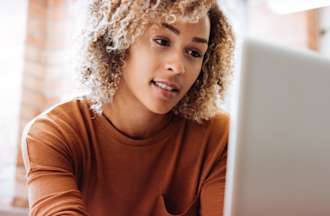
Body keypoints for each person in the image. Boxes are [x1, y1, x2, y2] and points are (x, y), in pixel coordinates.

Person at [21, 0, 235, 215]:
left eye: (194, 53)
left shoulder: (219, 137)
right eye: (161, 41)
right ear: (119, 40)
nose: (178, 67)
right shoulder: (55, 133)